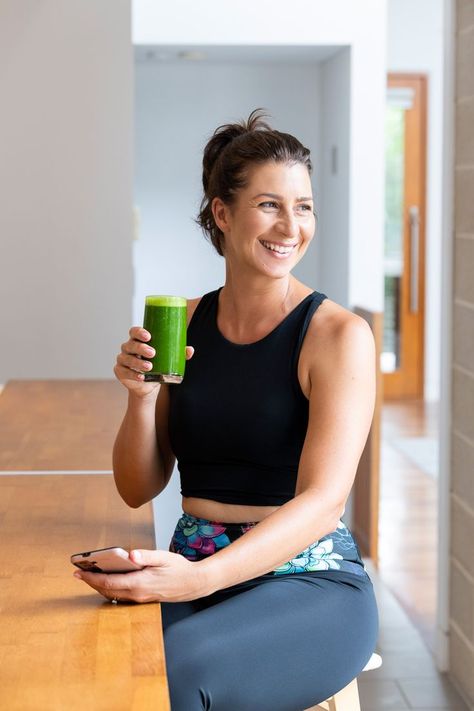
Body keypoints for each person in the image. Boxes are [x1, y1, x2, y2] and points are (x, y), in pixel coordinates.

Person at [74, 109, 379, 710]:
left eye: (304, 206)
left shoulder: (337, 335)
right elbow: (138, 488)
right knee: (95, 666)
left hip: (307, 580)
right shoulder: (183, 322)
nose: (291, 225)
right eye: (270, 204)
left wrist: (195, 579)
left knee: (173, 678)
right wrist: (141, 400)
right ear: (222, 212)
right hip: (194, 561)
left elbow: (324, 503)